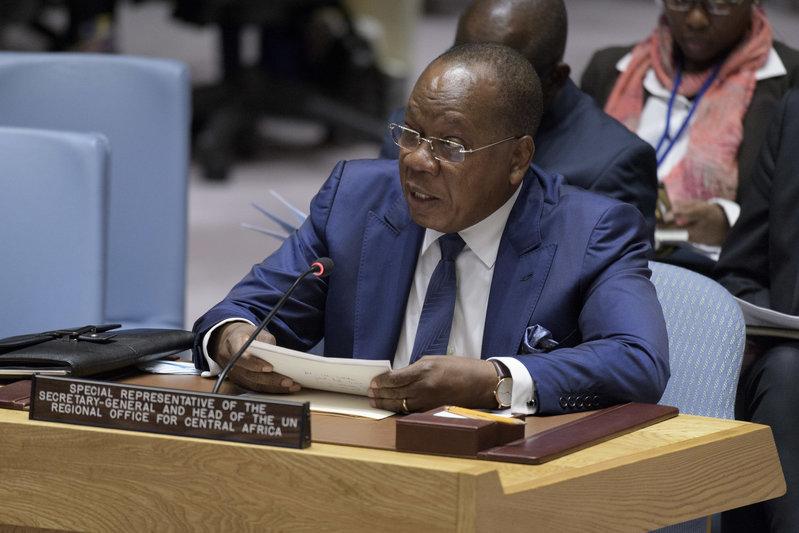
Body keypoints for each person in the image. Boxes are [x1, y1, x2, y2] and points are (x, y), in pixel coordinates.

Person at [192, 43, 669, 415]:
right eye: (410, 133)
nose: (418, 161)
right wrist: (231, 338)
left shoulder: (591, 231)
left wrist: (493, 380)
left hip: (499, 472)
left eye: (450, 146)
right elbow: (242, 311)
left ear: (518, 158)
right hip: (356, 457)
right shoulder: (354, 200)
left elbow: (637, 360)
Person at [378, 0, 659, 237]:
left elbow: (606, 275)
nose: (471, 84)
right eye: (463, 58)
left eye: (502, 73)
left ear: (555, 78)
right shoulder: (411, 134)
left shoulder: (612, 165)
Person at [581, 0, 799, 272]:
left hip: (719, 275)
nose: (696, 20)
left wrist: (730, 221)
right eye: (680, 2)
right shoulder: (610, 70)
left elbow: (790, 212)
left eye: (717, 4)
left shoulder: (790, 83)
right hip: (603, 261)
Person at [714, 89, 799, 533]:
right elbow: (741, 270)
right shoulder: (794, 114)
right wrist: (776, 324)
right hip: (793, 352)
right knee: (784, 371)